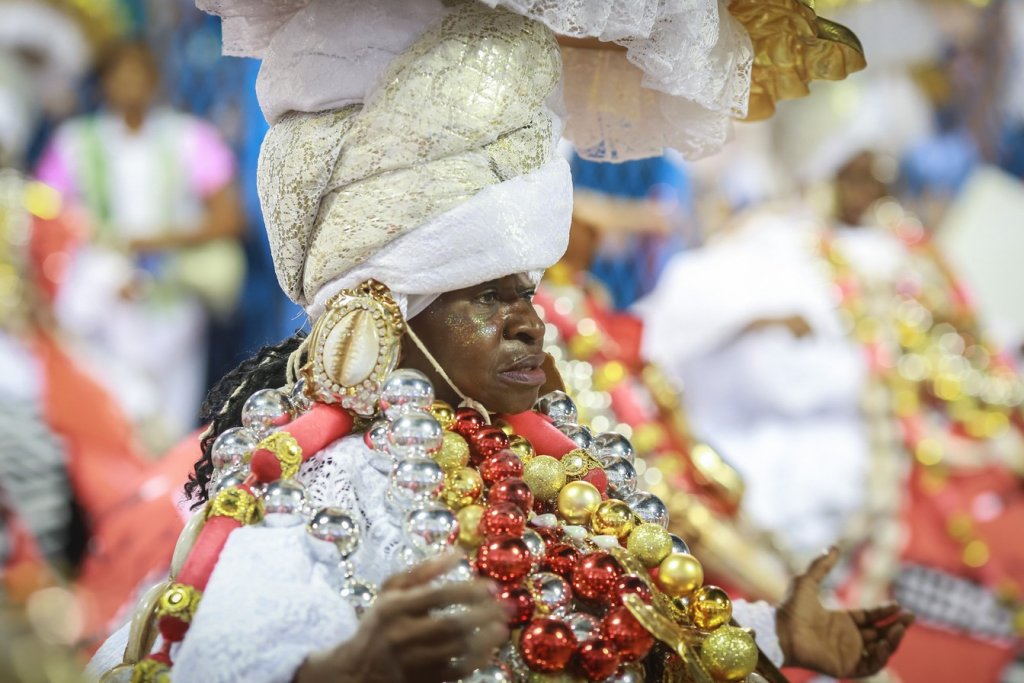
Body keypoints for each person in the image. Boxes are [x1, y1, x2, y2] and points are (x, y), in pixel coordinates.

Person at [89, 2, 910, 682]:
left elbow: (623, 645)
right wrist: (345, 670)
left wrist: (775, 641)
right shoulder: (321, 487)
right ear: (387, 311)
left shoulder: (548, 463)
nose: (529, 319)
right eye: (487, 294)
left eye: (525, 291)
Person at [640, 70, 1024, 682]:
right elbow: (696, 331)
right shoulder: (772, 243)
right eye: (855, 170)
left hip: (939, 443)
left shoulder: (904, 246)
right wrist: (770, 329)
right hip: (847, 459)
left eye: (879, 171)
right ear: (821, 170)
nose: (870, 186)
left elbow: (976, 336)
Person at [35, 39, 243, 452]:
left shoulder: (190, 137)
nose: (130, 84)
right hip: (101, 303)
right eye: (120, 74)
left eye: (139, 74)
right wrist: (106, 265)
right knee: (113, 422)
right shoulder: (73, 142)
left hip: (173, 302)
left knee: (172, 422)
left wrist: (148, 241)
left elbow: (230, 219)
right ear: (103, 83)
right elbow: (47, 220)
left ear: (156, 81)